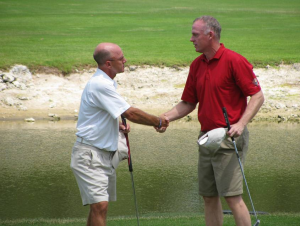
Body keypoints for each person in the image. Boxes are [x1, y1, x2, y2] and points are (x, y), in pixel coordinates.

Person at [156, 16, 264, 226]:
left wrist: (240, 124)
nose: (191, 39)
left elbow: (257, 96)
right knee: (209, 196)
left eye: (195, 35)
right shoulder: (197, 65)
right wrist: (164, 118)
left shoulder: (234, 61)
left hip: (229, 137)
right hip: (206, 138)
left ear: (210, 35)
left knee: (232, 197)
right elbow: (188, 103)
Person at [70, 42, 169, 226]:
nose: (125, 60)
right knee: (100, 205)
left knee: (99, 207)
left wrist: (116, 127)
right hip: (90, 154)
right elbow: (129, 113)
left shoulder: (107, 82)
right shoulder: (100, 84)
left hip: (101, 153)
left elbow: (98, 116)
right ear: (108, 63)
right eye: (121, 58)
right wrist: (158, 121)